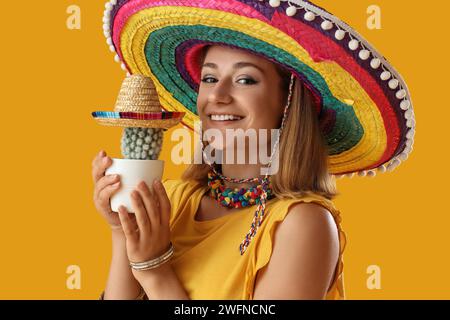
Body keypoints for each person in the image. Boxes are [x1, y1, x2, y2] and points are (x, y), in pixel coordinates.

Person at [93, 0, 414, 300]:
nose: (217, 95)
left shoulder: (302, 225)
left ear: (288, 102)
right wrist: (122, 232)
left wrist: (156, 272)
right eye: (209, 77)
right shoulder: (172, 199)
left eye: (245, 80)